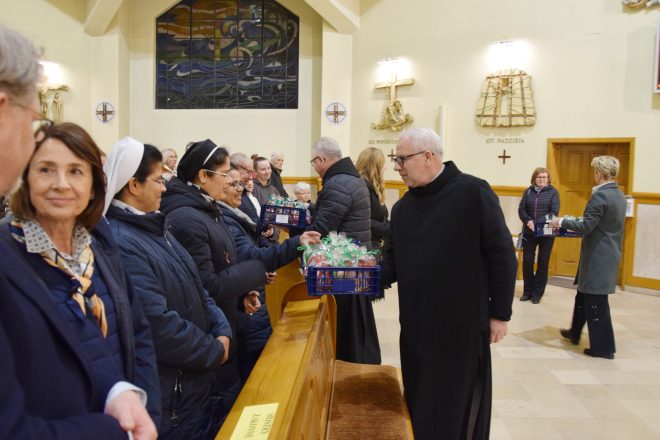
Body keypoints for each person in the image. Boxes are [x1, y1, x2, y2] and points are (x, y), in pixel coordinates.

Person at [0, 119, 159, 438]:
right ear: (26, 180)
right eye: (45, 169)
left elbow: (138, 333)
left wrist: (146, 411)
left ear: (93, 186)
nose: (61, 183)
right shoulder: (9, 253)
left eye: (75, 171)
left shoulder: (99, 241)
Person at [379, 128, 516, 439]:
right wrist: (347, 275)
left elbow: (503, 255)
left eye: (401, 159)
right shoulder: (401, 210)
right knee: (420, 403)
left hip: (462, 329)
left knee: (459, 409)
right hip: (417, 329)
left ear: (429, 156)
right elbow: (391, 266)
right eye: (395, 159)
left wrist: (500, 314)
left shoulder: (473, 193)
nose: (397, 167)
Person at [105, 139, 233, 438]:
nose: (164, 188)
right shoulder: (122, 241)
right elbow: (157, 325)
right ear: (134, 184)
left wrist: (222, 329)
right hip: (172, 392)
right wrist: (213, 348)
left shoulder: (155, 227)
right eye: (158, 180)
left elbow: (199, 289)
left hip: (194, 382)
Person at [159, 139, 266, 428]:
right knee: (218, 414)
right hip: (208, 337)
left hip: (224, 323)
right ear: (202, 176)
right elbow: (206, 284)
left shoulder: (206, 208)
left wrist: (243, 293)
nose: (232, 180)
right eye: (224, 174)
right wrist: (256, 270)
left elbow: (223, 260)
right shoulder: (187, 216)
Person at [217, 168, 321, 381]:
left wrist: (254, 279)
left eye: (241, 182)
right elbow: (248, 257)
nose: (242, 187)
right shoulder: (225, 219)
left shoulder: (230, 214)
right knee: (254, 377)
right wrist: (295, 243)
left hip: (247, 300)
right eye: (234, 184)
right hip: (241, 314)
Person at [306, 136, 381, 365]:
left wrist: (295, 232)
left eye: (314, 162)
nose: (315, 167)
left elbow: (320, 231)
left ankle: (347, 371)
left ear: (321, 159)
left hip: (341, 270)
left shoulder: (337, 184)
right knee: (356, 327)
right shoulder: (353, 179)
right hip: (353, 267)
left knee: (345, 330)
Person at [551, 156, 626, 360]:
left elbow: (585, 227)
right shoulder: (618, 194)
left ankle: (603, 348)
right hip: (608, 253)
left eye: (594, 171)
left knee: (596, 302)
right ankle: (575, 332)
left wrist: (561, 221)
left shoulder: (600, 196)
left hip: (598, 257)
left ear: (599, 174)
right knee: (583, 296)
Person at [518, 167, 560, 304]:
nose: (542, 179)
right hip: (529, 231)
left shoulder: (554, 192)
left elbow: (554, 212)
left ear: (548, 179)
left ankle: (537, 294)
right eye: (539, 177)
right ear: (534, 179)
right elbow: (521, 209)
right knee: (528, 262)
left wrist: (536, 223)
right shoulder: (528, 191)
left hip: (547, 231)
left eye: (544, 177)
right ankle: (527, 292)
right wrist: (528, 221)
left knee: (543, 262)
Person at [356, 147, 390, 248]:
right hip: (364, 246)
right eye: (383, 165)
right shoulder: (362, 187)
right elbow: (362, 220)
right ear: (375, 167)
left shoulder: (369, 185)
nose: (385, 168)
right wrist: (390, 227)